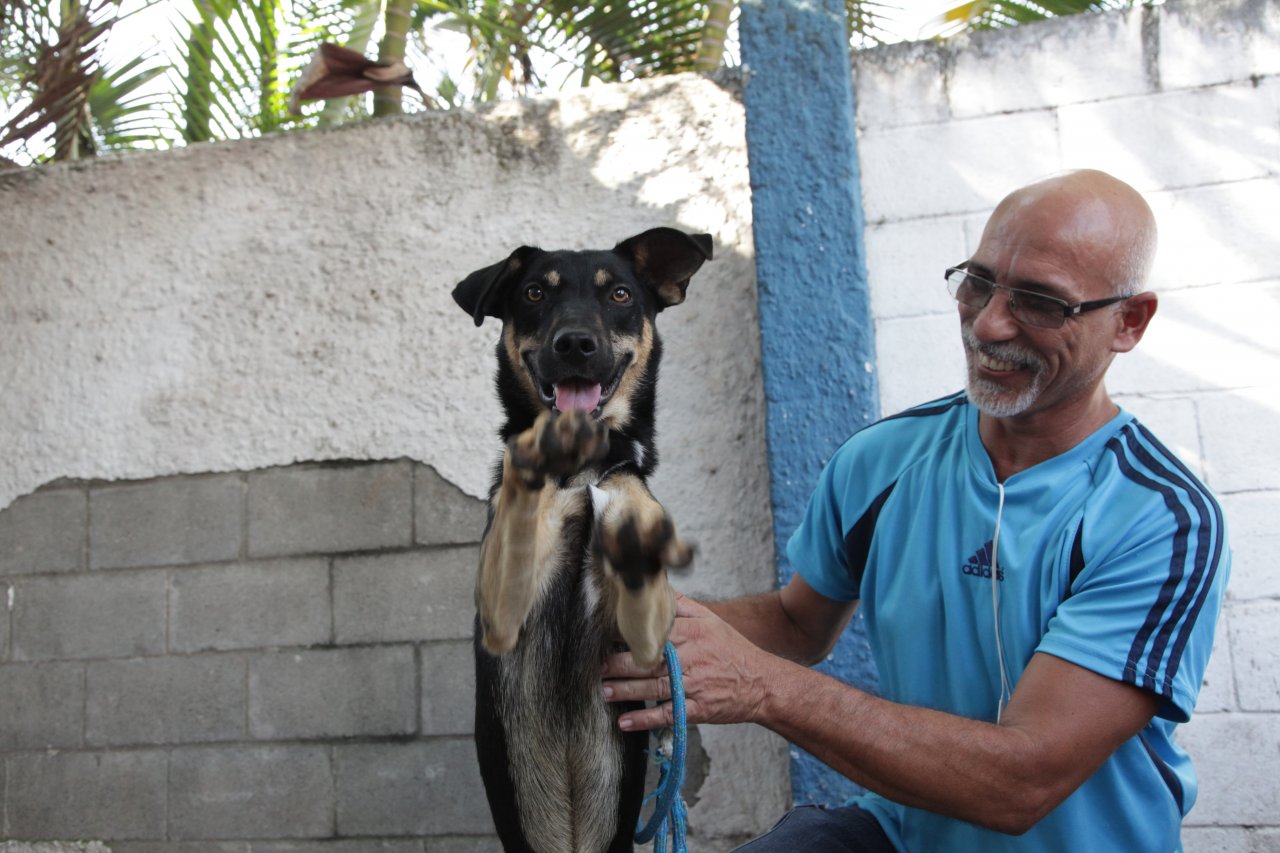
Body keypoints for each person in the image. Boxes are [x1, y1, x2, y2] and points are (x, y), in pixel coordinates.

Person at [602, 169, 1229, 851]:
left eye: (1042, 303)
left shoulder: (1160, 516)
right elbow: (796, 623)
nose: (989, 322)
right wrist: (631, 626)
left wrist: (761, 686)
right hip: (906, 834)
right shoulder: (881, 461)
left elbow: (1022, 781)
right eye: (978, 281)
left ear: (1129, 322)